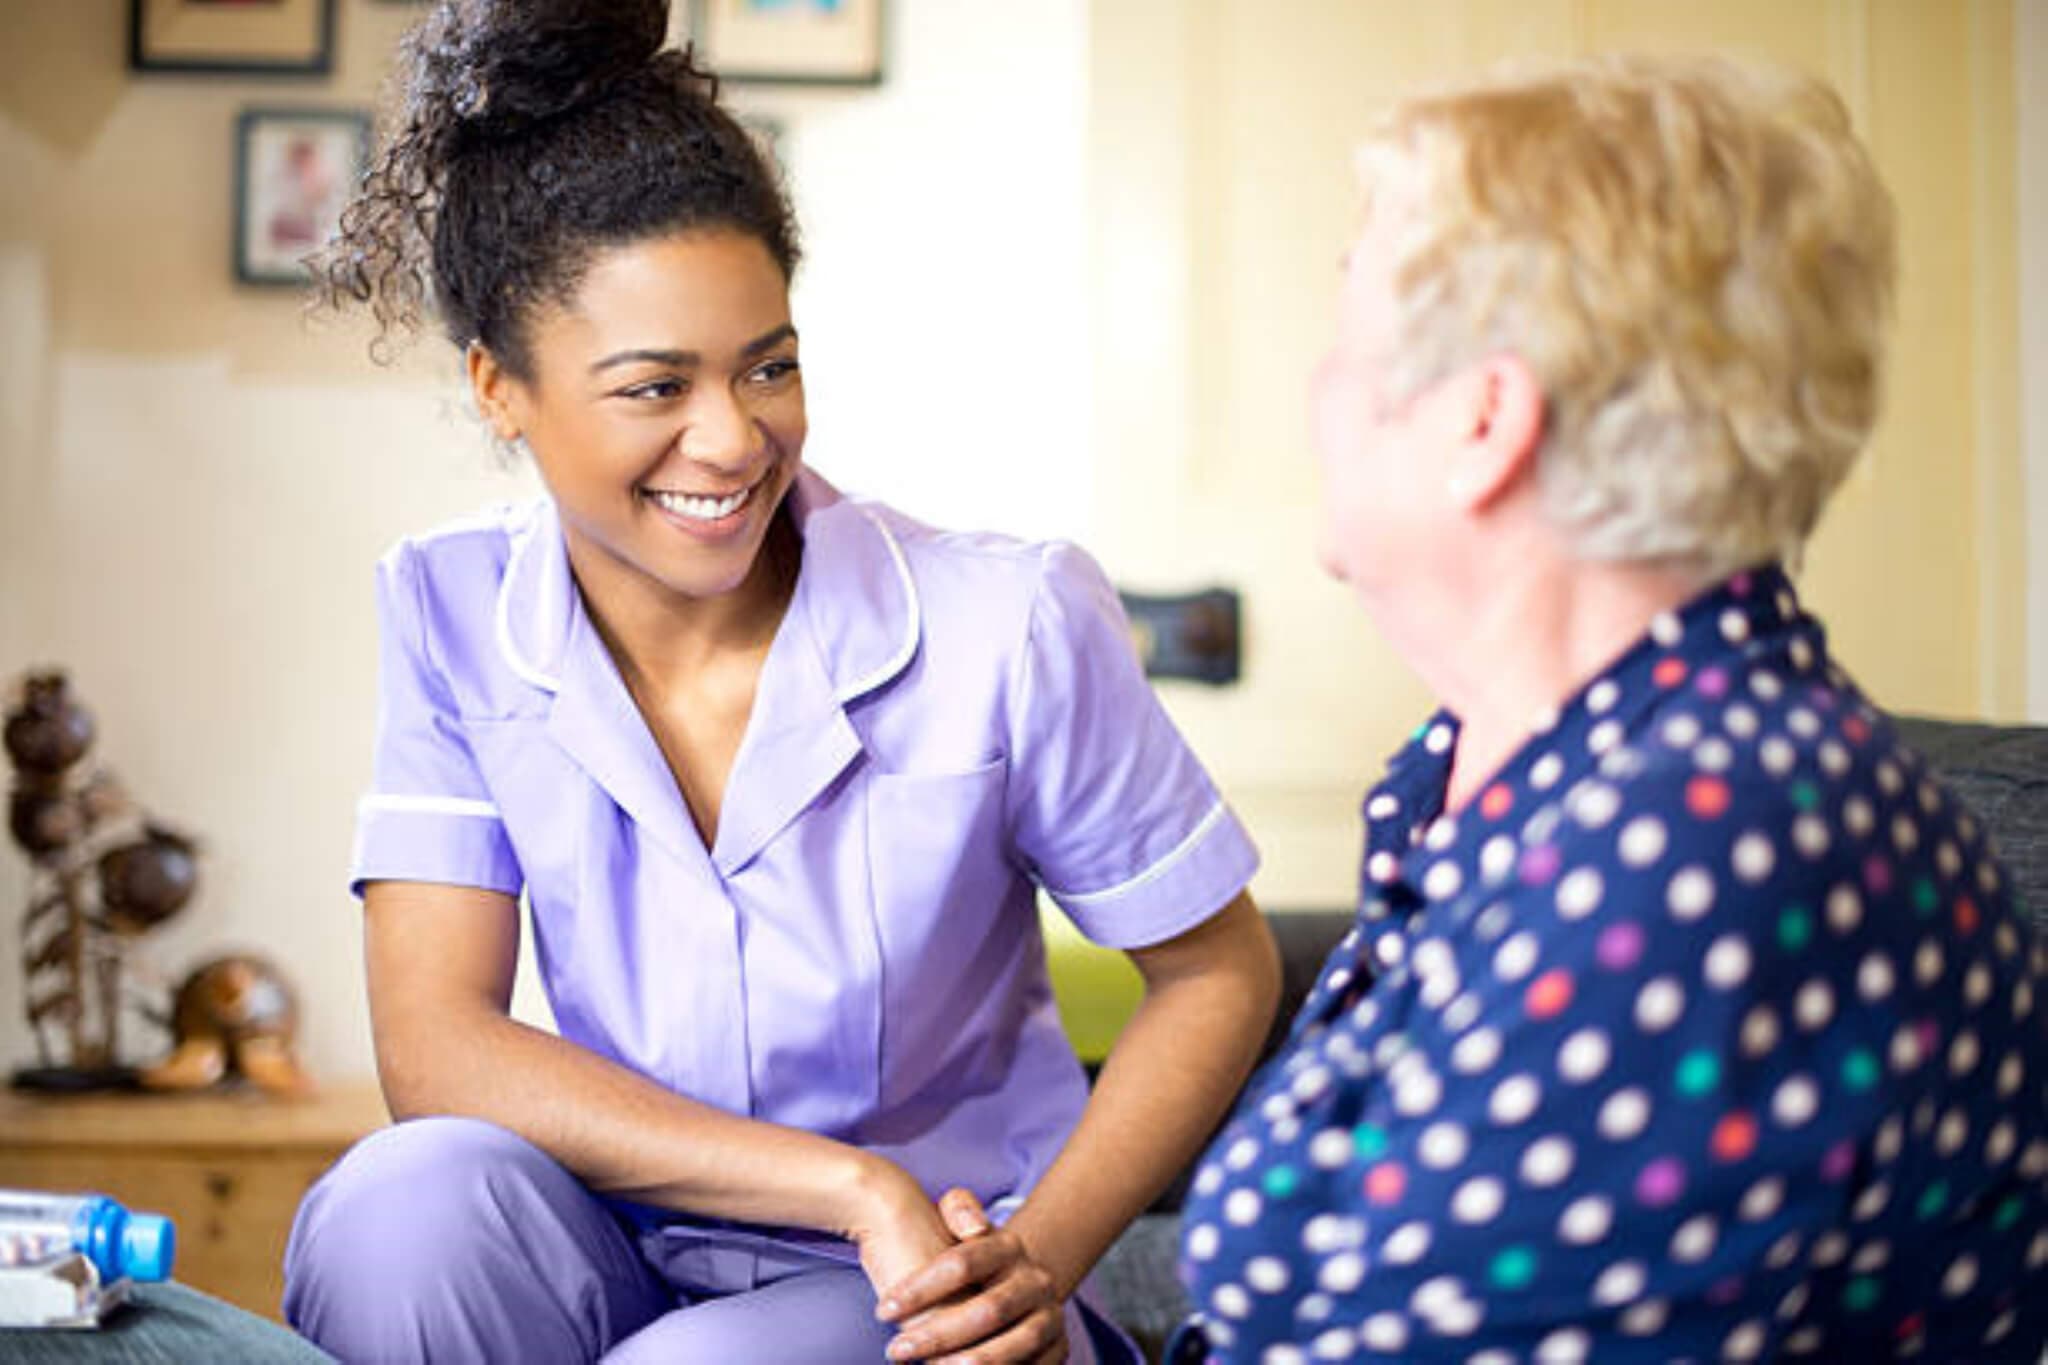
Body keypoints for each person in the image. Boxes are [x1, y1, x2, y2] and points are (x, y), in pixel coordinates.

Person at [281, 2, 1281, 1361]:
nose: (733, 436)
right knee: (394, 1210)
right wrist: (844, 1180)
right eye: (654, 387)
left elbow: (1216, 968)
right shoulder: (452, 609)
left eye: (770, 364)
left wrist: (1030, 1265)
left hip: (934, 1289)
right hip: (632, 1245)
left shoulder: (1007, 618)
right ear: (498, 388)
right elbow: (438, 1045)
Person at [1172, 55, 2047, 1363]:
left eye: (1349, 333)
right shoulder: (1486, 769)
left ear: (1486, 421)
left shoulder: (1723, 837)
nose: (1317, 387)